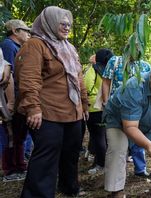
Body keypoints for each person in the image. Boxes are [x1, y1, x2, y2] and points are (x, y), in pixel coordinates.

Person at [15, 6, 89, 197]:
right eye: (62, 24)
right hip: (48, 113)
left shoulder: (69, 47)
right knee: (46, 158)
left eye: (69, 25)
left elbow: (78, 78)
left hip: (72, 112)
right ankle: (38, 194)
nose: (66, 28)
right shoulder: (35, 45)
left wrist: (84, 104)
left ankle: (68, 188)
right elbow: (29, 78)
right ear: (49, 23)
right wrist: (32, 108)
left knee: (71, 155)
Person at [103, 60, 151, 197]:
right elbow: (130, 127)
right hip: (120, 122)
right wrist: (149, 146)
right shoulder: (134, 87)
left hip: (150, 124)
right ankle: (116, 191)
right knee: (118, 148)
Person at [102, 54, 151, 177]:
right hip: (117, 108)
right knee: (118, 144)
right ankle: (118, 175)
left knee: (138, 138)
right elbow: (106, 82)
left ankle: (140, 169)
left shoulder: (145, 66)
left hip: (136, 110)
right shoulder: (115, 61)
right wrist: (105, 101)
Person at [0, 19, 31, 182]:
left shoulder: (18, 47)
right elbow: (8, 75)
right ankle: (10, 169)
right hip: (10, 99)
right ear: (14, 31)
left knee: (19, 134)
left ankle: (19, 165)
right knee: (10, 133)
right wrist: (11, 102)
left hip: (20, 98)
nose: (28, 33)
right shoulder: (8, 46)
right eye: (24, 30)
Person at [83, 49, 114, 175]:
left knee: (97, 137)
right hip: (106, 106)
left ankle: (101, 163)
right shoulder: (111, 70)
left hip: (94, 108)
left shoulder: (93, 70)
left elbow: (86, 87)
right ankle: (101, 161)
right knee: (104, 137)